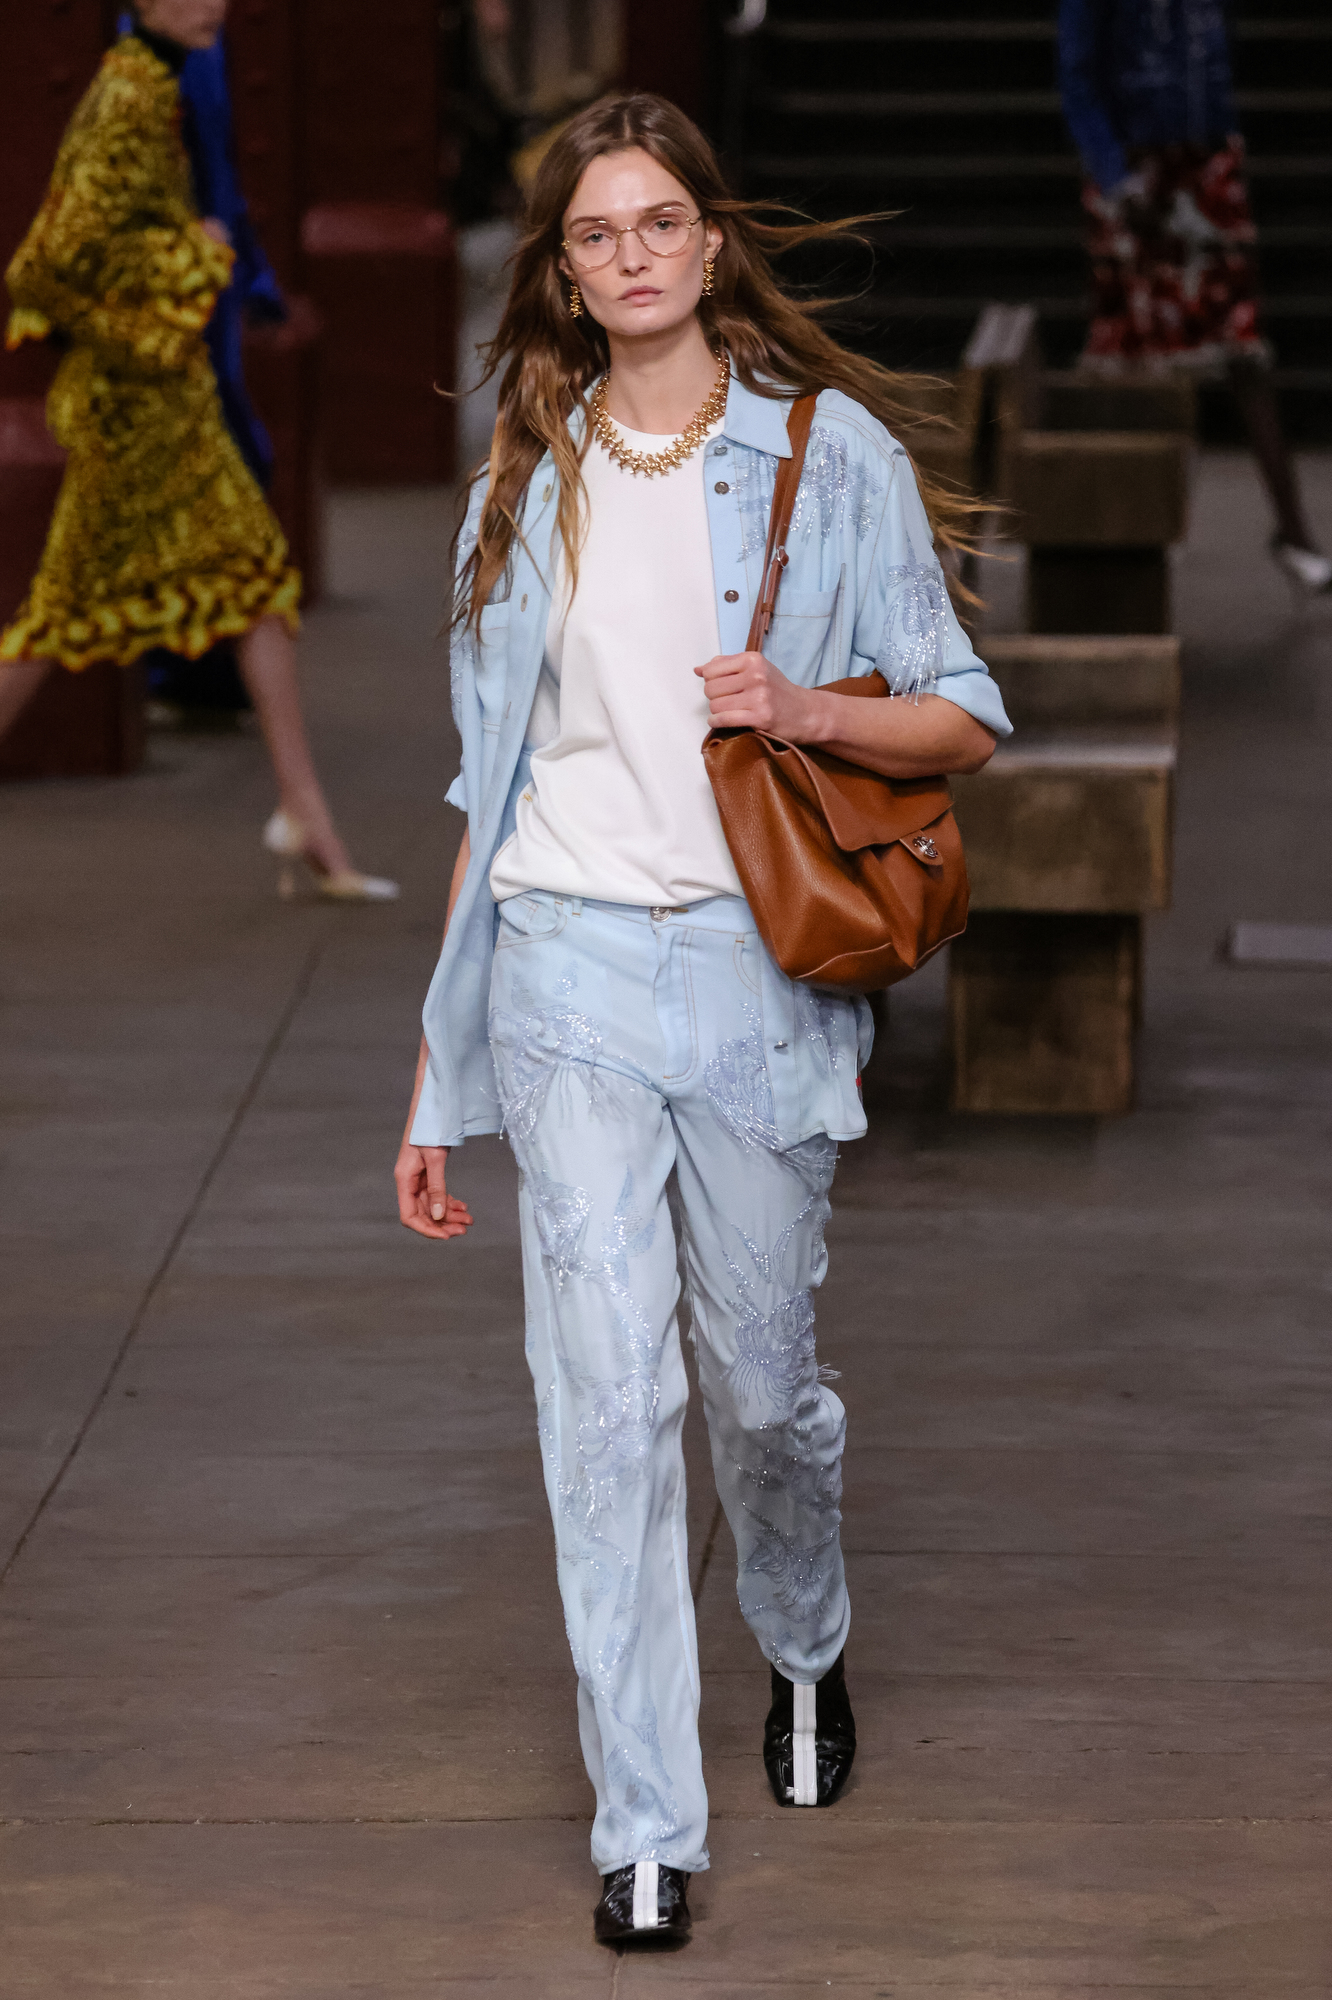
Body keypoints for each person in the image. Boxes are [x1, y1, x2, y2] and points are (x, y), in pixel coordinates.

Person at [393, 92, 1011, 1944]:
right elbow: (487, 797)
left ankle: (803, 1640)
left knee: (758, 1389)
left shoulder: (827, 456)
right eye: (597, 234)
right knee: (604, 1403)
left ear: (711, 241)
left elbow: (965, 713)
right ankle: (645, 1827)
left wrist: (805, 709)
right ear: (565, 275)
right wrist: (436, 1075)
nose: (634, 255)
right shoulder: (519, 487)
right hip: (565, 965)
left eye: (660, 221)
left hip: (756, 977)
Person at [0, 0, 397, 899]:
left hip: (166, 404)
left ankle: (307, 813)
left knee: (256, 581)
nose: (212, 2)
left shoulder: (150, 82)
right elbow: (45, 265)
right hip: (135, 415)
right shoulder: (128, 95)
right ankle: (307, 816)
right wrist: (195, 252)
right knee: (57, 617)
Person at [1058, 0, 1331, 593]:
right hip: (1132, 167)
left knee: (1242, 341)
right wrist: (1115, 177)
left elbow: (1212, 46)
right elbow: (1077, 76)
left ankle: (1294, 532)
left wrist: (1219, 142)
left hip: (1204, 161)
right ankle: (1120, 536)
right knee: (1130, 358)